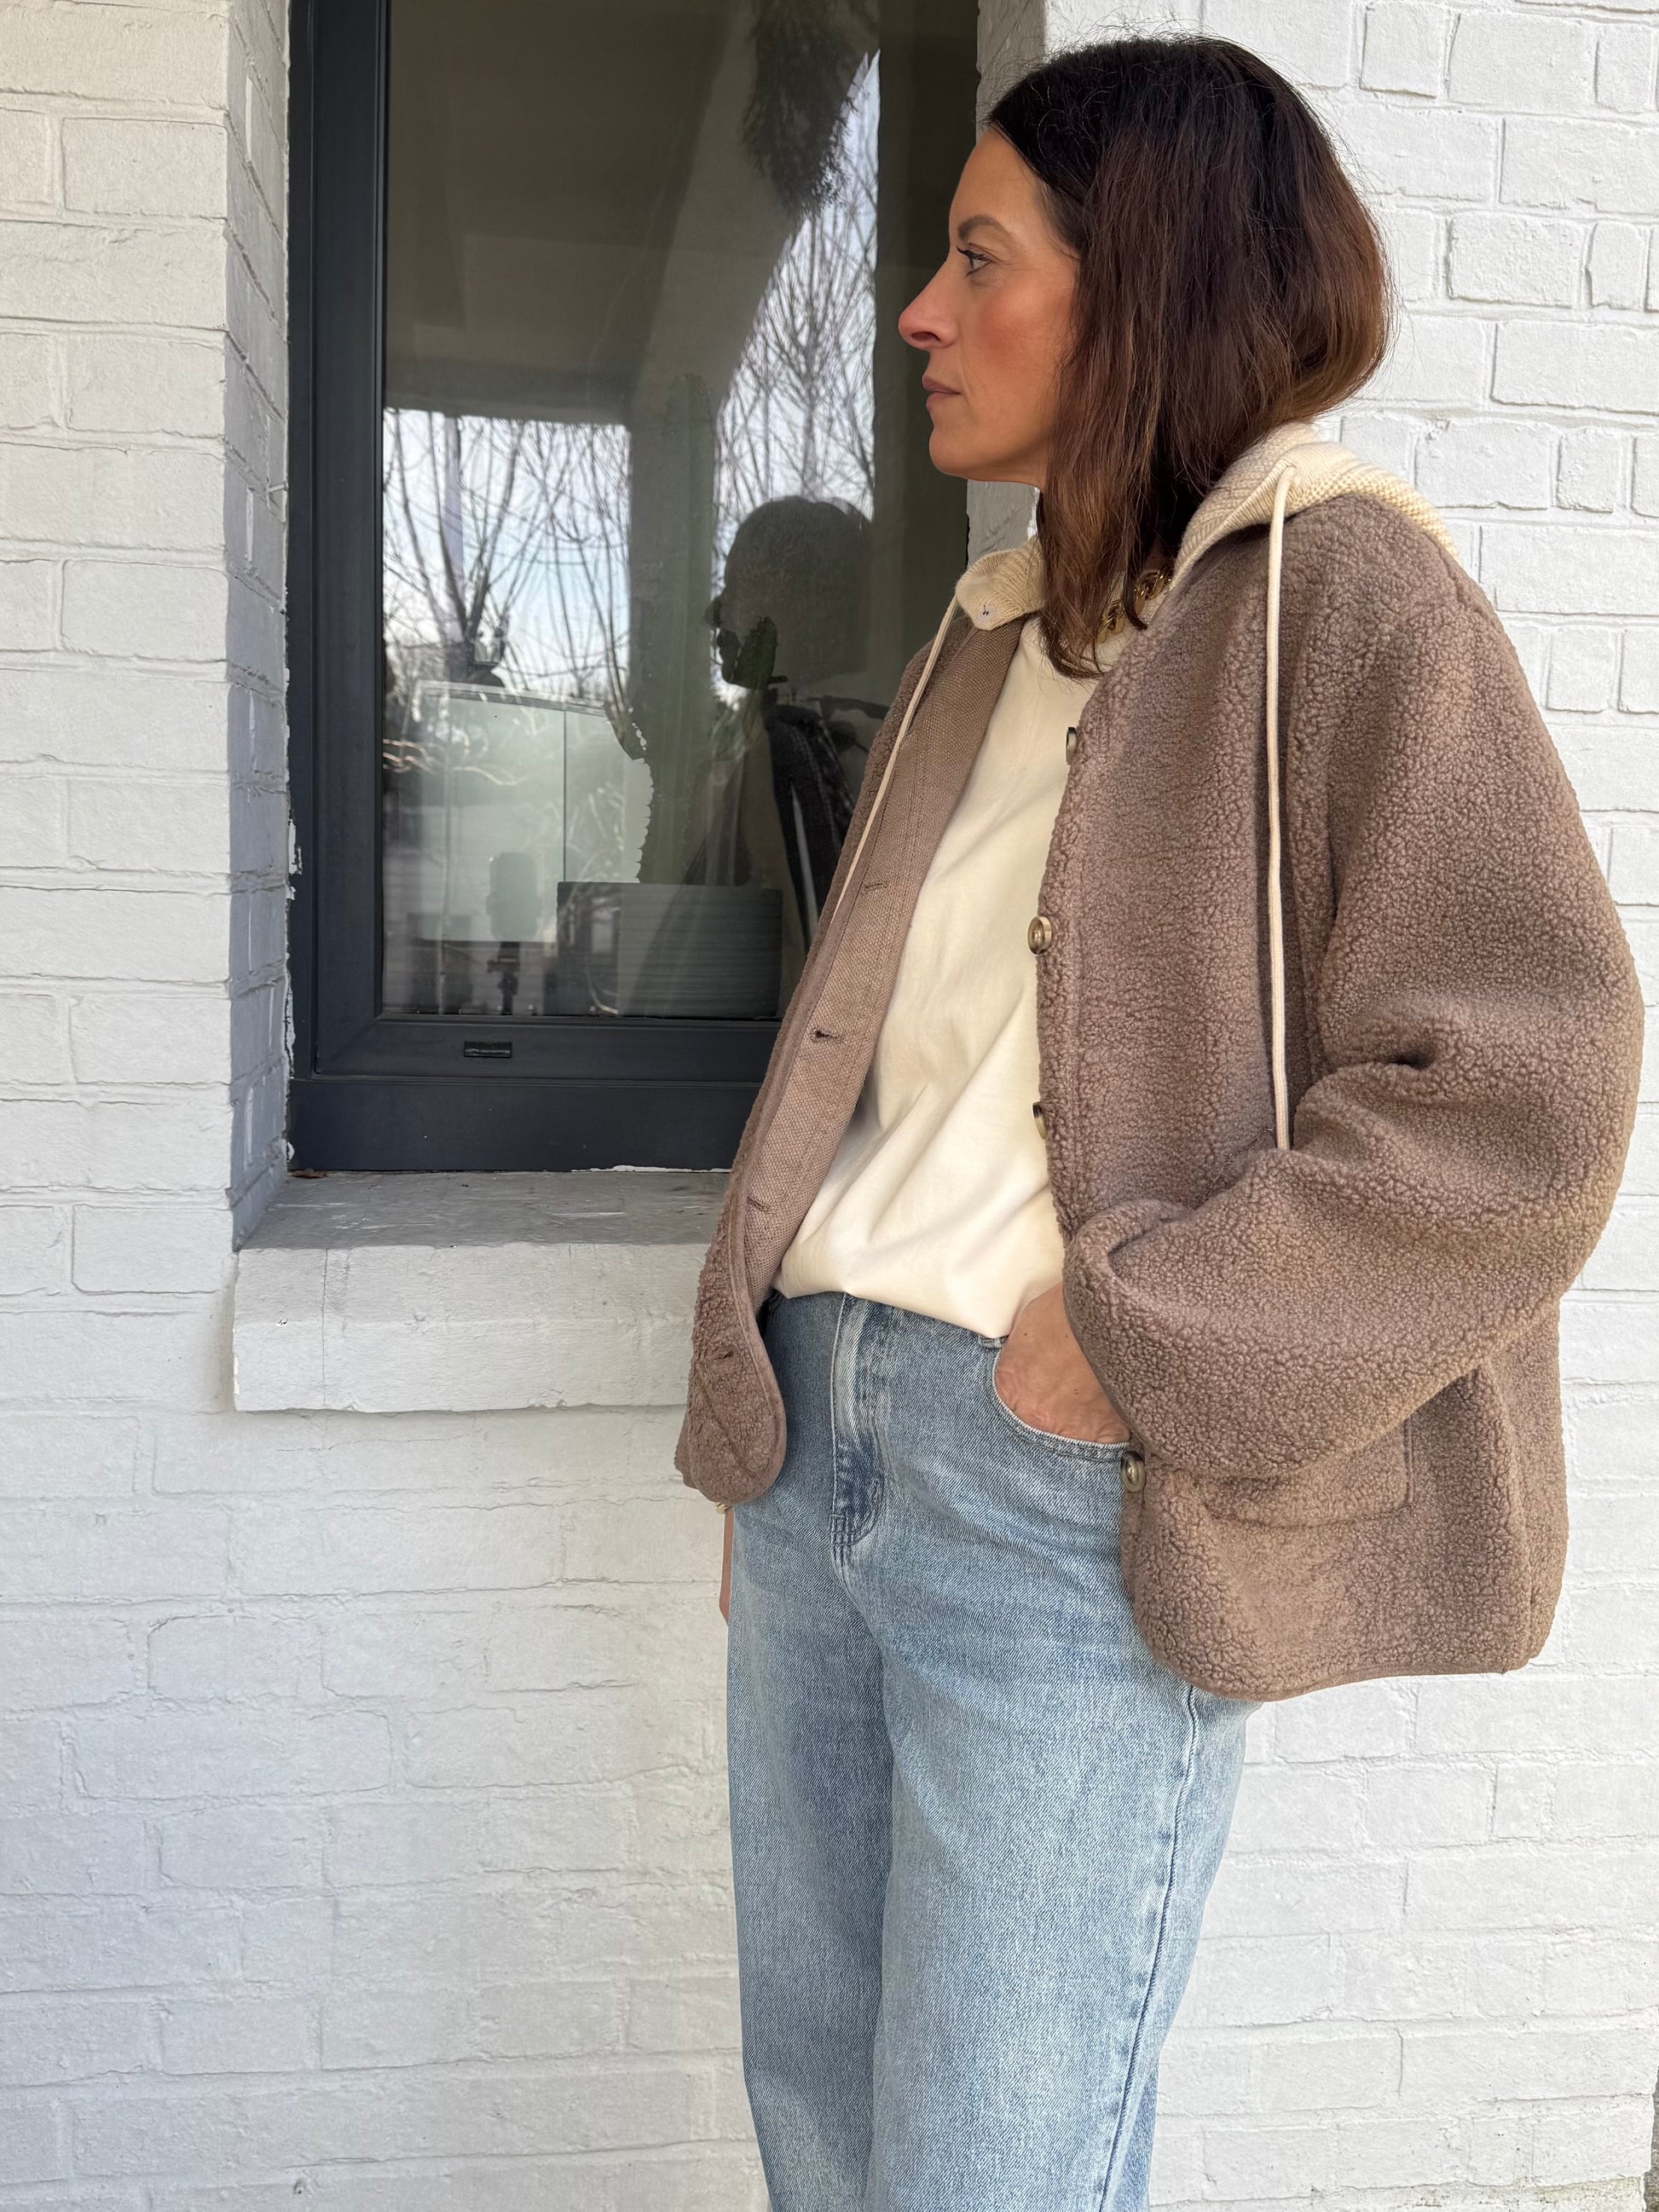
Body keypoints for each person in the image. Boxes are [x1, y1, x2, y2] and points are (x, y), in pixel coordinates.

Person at [676, 38, 1644, 2212]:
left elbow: (1529, 1086)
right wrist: (771, 1387)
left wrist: (1130, 1343)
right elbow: (877, 1068)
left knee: (987, 2172)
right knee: (820, 2130)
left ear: (1145, 289)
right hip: (826, 1439)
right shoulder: (988, 631)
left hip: (1055, 1491)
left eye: (976, 258)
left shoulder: (1345, 597)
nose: (917, 313)